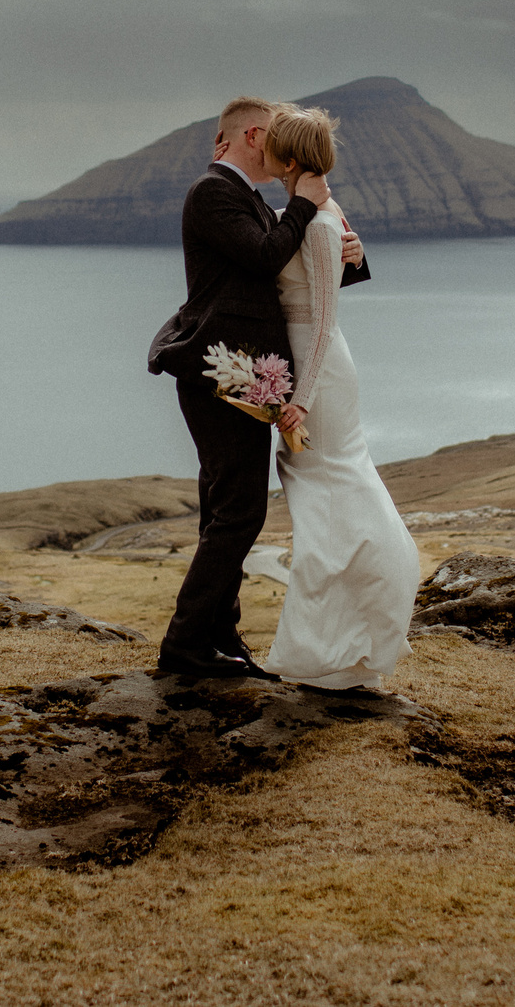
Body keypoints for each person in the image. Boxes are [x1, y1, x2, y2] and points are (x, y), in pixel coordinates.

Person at [146, 94, 365, 680]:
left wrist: (351, 254)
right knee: (239, 514)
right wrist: (304, 203)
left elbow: (296, 276)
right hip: (221, 376)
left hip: (242, 377)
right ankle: (185, 645)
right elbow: (266, 256)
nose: (285, 147)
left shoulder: (250, 200)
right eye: (276, 135)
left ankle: (219, 636)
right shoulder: (213, 191)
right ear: (252, 136)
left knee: (225, 510)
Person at [254, 104, 417, 693]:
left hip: (317, 371)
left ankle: (336, 639)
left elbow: (324, 320)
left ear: (289, 159)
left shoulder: (321, 224)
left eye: (272, 145)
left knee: (330, 492)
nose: (263, 151)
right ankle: (338, 640)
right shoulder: (313, 213)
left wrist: (301, 396)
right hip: (309, 366)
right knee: (323, 496)